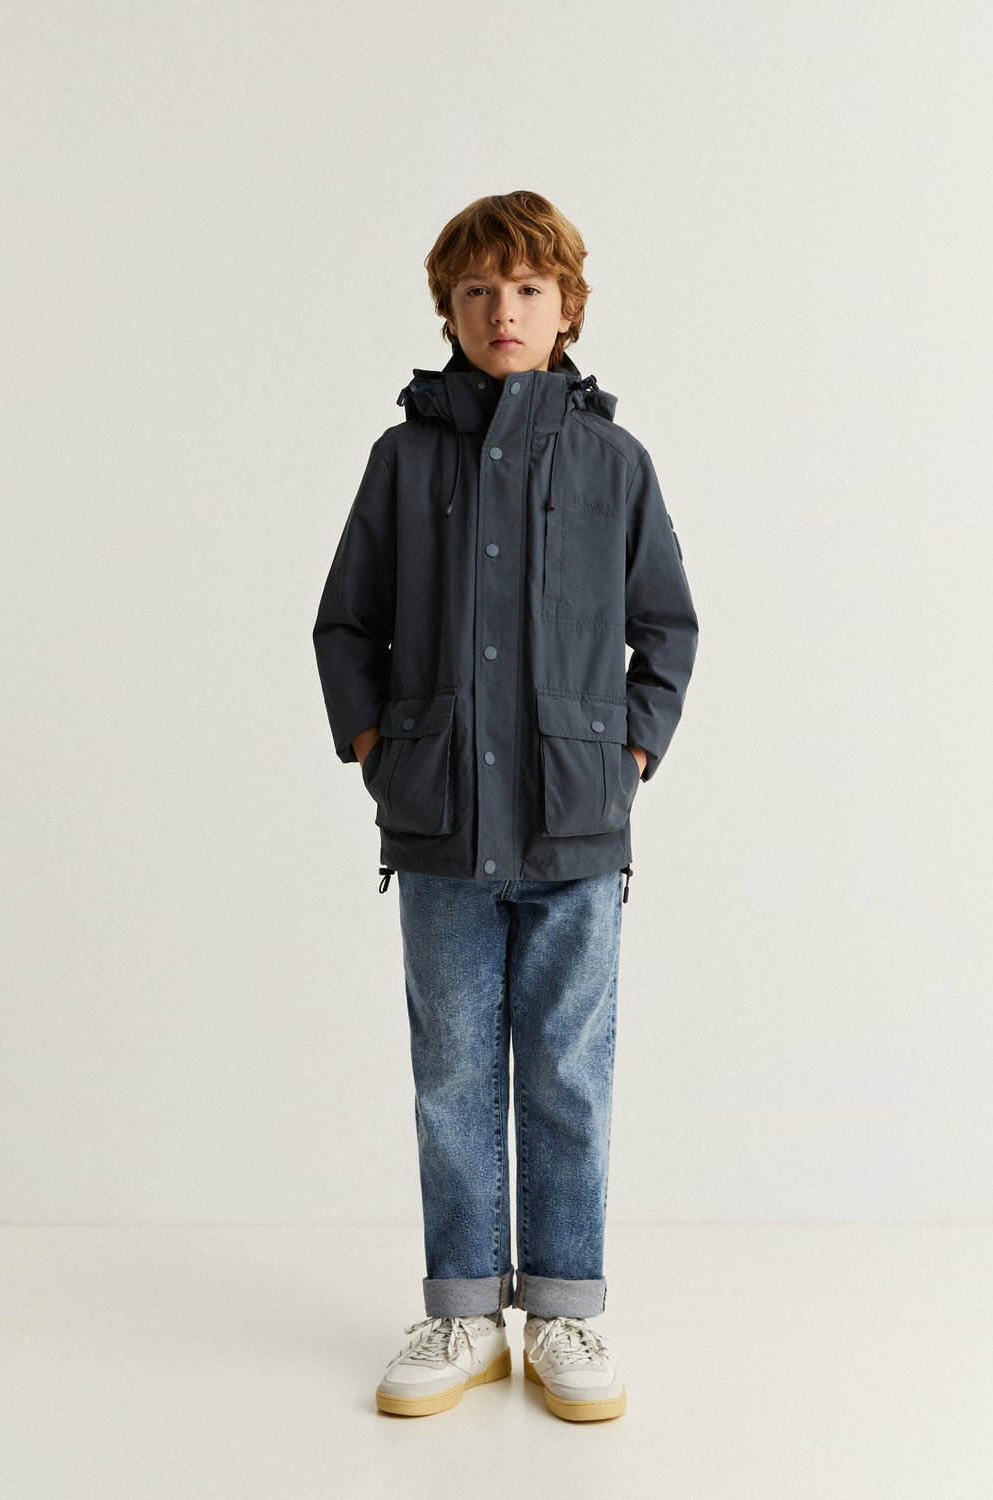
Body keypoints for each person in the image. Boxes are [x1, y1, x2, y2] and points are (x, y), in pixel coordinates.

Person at [312, 190, 699, 1421]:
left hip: (575, 825)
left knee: (569, 1074)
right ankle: (466, 1311)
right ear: (449, 309)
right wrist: (379, 749)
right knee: (453, 1075)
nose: (502, 311)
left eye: (527, 289)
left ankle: (568, 1313)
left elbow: (666, 628)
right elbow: (345, 625)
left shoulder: (612, 462)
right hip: (438, 827)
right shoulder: (402, 459)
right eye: (477, 291)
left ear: (567, 307)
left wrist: (627, 754)